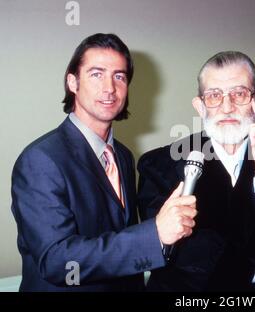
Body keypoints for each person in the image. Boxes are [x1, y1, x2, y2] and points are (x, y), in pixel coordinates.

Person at [11, 33, 197, 291]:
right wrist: (154, 234)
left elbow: (121, 239)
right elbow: (57, 261)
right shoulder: (40, 160)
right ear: (73, 83)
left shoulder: (122, 155)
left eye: (119, 76)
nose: (109, 88)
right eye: (96, 74)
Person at [137, 51, 255, 291]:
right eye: (214, 96)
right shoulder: (160, 165)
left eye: (239, 94)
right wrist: (254, 271)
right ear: (200, 106)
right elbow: (174, 253)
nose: (227, 107)